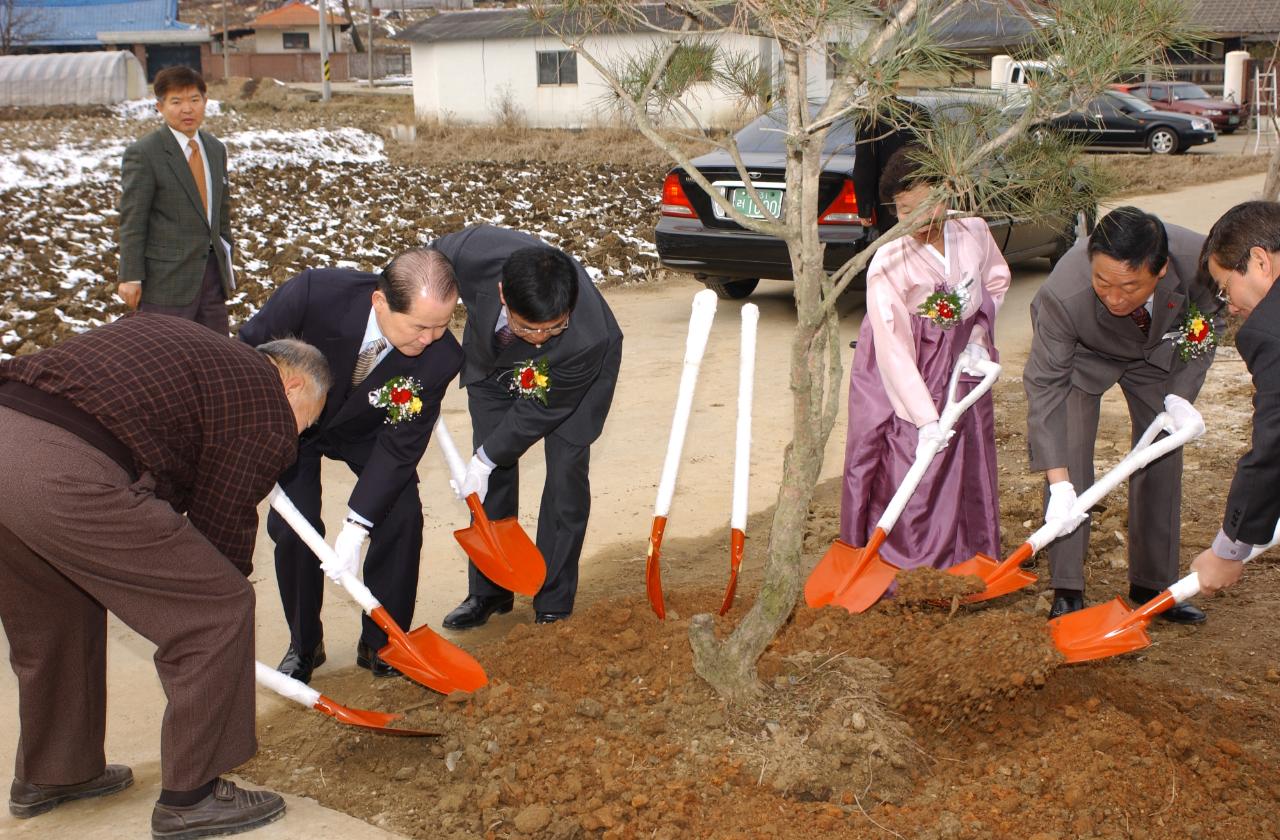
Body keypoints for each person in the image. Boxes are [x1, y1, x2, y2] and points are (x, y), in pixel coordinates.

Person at [0, 314, 329, 838]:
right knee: (216, 608)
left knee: (56, 615)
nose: (296, 435)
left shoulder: (192, 349)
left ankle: (54, 773)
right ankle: (192, 798)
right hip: (66, 470)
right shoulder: (264, 398)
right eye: (305, 421)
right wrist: (214, 601)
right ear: (291, 383)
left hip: (8, 433)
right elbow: (219, 538)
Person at [238, 249, 463, 683]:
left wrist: (357, 525)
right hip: (293, 422)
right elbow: (247, 358)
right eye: (419, 326)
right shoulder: (312, 296)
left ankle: (383, 642)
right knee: (294, 529)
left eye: (443, 324)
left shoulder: (441, 358)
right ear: (380, 302)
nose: (431, 338)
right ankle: (304, 645)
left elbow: (400, 449)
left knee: (402, 516)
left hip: (367, 430)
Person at [1024, 205, 1223, 620]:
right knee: (1072, 457)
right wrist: (1058, 483)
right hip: (1084, 356)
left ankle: (1152, 583)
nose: (1115, 297)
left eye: (1130, 287)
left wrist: (1182, 397)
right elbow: (1045, 386)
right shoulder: (1065, 291)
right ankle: (1068, 588)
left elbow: (1210, 321)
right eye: (1103, 282)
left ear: (1162, 269)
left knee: (1162, 452)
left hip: (1156, 355)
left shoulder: (1202, 263)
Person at [431, 225, 623, 628]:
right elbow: (417, 274)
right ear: (502, 294)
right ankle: (489, 592)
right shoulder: (470, 253)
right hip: (492, 366)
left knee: (565, 480)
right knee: (490, 475)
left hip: (573, 380)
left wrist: (483, 459)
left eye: (552, 328)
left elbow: (543, 410)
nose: (538, 340)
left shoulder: (587, 337)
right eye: (526, 327)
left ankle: (552, 599)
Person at [839, 146, 1008, 571]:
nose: (915, 221)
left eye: (925, 207)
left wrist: (980, 336)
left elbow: (995, 280)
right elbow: (891, 343)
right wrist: (924, 418)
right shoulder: (888, 259)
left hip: (963, 363)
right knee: (912, 459)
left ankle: (966, 557)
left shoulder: (972, 232)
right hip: (907, 366)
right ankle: (905, 566)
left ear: (947, 194)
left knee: (965, 456)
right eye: (903, 211)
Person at [1189, 201, 1280, 595]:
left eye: (1226, 288)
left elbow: (1274, 444)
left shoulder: (1270, 330)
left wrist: (1229, 549)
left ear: (1259, 261)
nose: (1230, 306)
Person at [117, 66, 234, 334]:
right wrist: (130, 277)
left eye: (194, 100)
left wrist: (226, 256)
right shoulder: (145, 153)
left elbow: (221, 212)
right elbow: (133, 219)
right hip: (166, 284)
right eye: (176, 102)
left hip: (211, 280)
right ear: (160, 106)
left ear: (205, 101)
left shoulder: (215, 149)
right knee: (166, 362)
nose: (187, 109)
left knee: (217, 357)